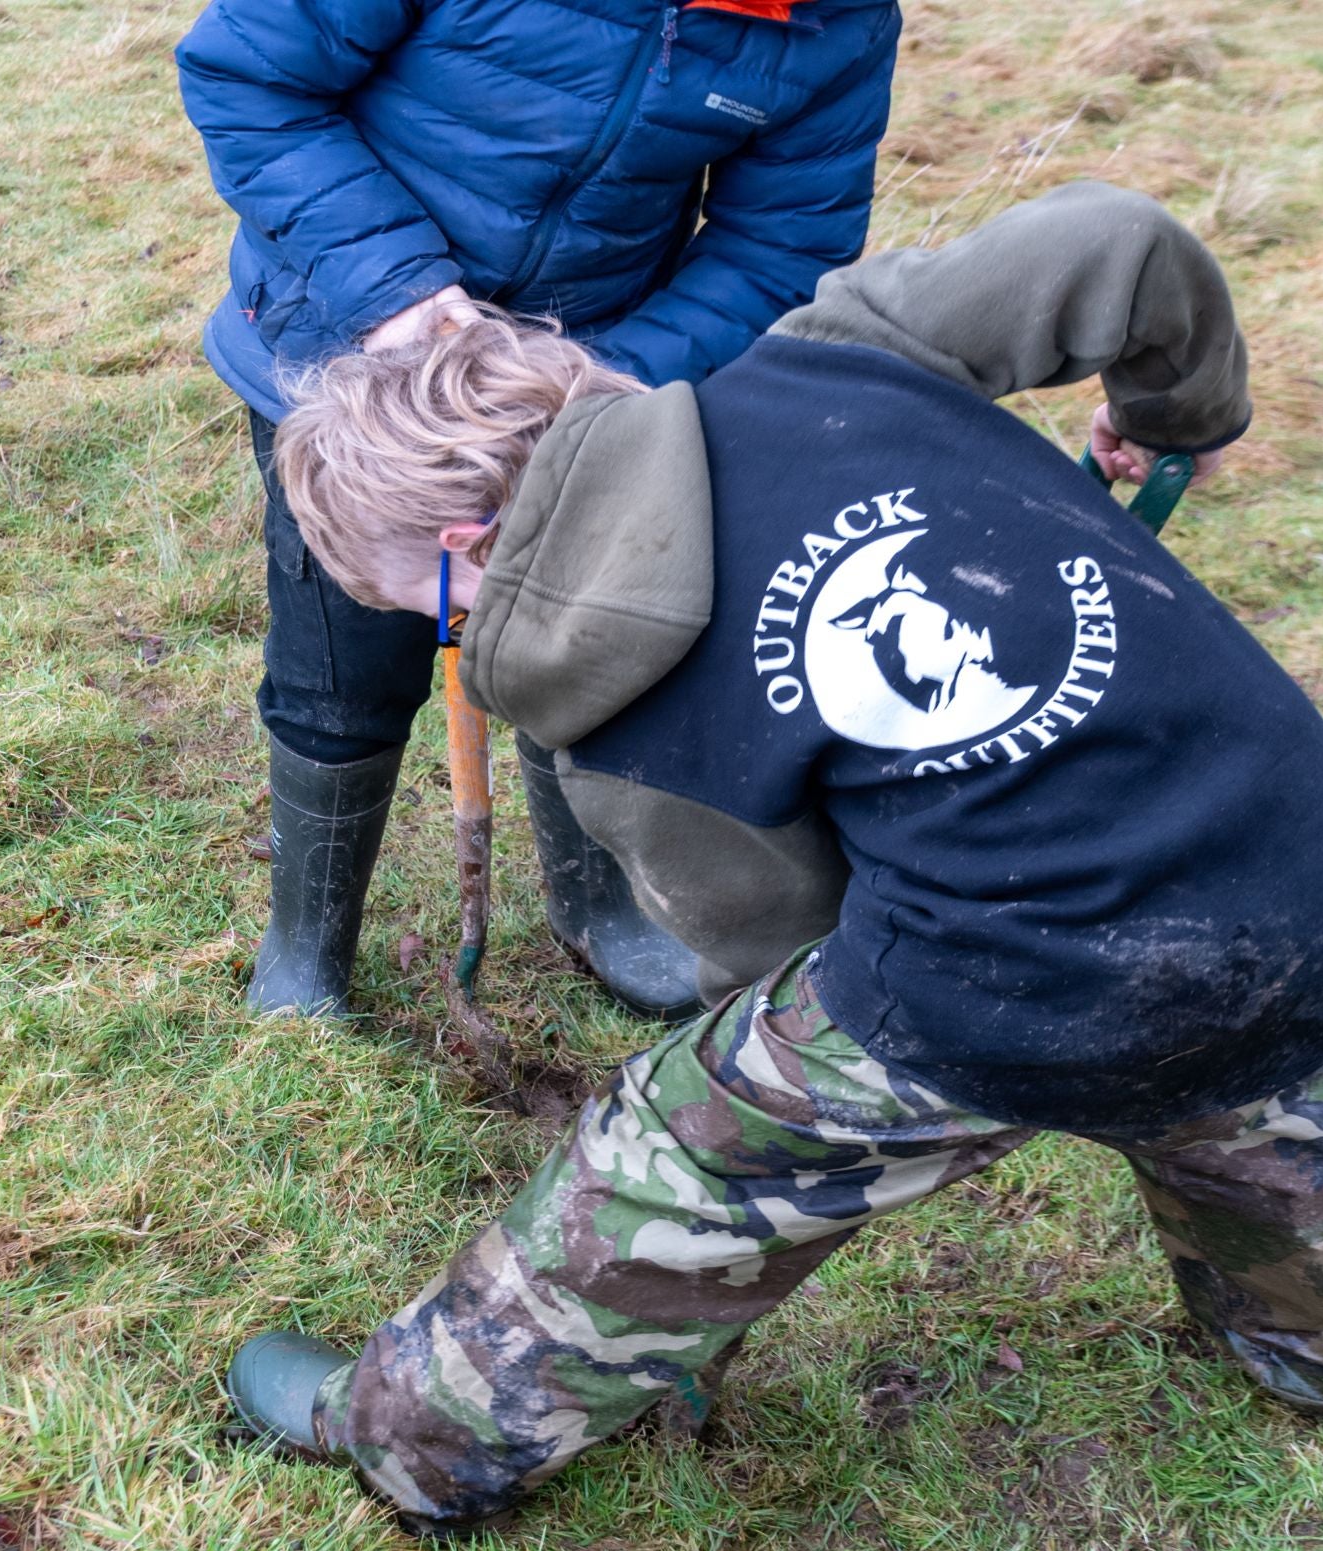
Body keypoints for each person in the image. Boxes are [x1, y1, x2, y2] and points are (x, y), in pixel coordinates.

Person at [221, 182, 1323, 1533]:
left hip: (1046, 962)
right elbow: (1115, 244)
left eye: (414, 611)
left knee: (684, 1150)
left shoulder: (615, 725)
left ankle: (418, 1438)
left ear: (464, 555)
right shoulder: (840, 346)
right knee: (1226, 1049)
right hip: (1298, 848)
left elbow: (786, 951)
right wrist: (1174, 423)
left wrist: (774, 1120)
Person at [176, 0, 906, 1020]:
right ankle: (308, 941)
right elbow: (248, 77)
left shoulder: (834, 20)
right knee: (343, 667)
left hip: (591, 388)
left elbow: (783, 242)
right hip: (349, 351)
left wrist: (590, 388)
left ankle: (601, 904)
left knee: (589, 646)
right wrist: (393, 290)